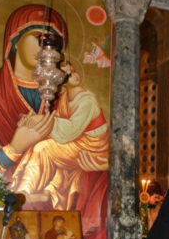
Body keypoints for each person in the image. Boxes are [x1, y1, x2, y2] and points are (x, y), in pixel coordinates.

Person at [0, 4, 109, 239]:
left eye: (54, 43)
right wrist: (14, 148)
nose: (46, 48)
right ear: (14, 40)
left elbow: (96, 149)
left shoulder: (68, 96)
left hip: (61, 203)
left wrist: (90, 159)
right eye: (39, 37)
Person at [11, 62, 109, 214]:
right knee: (39, 146)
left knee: (44, 149)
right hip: (77, 143)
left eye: (74, 71)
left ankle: (24, 192)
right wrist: (30, 123)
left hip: (92, 147)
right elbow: (54, 126)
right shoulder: (63, 98)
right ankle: (46, 191)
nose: (74, 76)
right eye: (68, 75)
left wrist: (40, 121)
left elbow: (69, 130)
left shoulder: (87, 100)